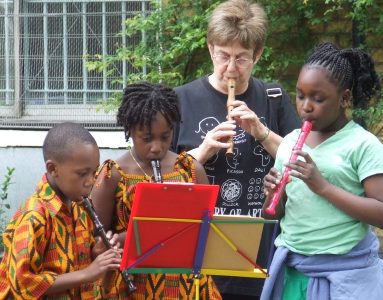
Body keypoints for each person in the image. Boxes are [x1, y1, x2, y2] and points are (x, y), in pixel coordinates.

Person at [170, 0, 301, 298]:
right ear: (209, 49)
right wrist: (201, 152)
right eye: (223, 56)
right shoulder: (180, 100)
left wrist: (261, 132)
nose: (231, 68)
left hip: (260, 250)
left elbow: (301, 161)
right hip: (198, 253)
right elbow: (161, 175)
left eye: (242, 58)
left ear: (258, 54)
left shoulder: (273, 97)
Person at [260, 41, 383, 300]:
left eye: (318, 98)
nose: (305, 106)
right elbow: (272, 216)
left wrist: (322, 186)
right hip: (293, 272)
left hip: (345, 277)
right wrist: (272, 194)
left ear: (344, 98)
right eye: (300, 95)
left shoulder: (363, 145)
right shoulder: (289, 142)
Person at [90, 82, 222, 300]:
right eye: (146, 138)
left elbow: (209, 232)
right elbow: (95, 237)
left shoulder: (190, 169)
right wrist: (119, 240)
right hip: (129, 284)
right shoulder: (113, 174)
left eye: (165, 137)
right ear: (130, 129)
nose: (157, 147)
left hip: (184, 286)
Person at [0, 122, 122, 299]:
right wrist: (86, 274)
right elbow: (22, 282)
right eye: (82, 174)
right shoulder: (34, 216)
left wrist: (96, 254)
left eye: (94, 173)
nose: (90, 182)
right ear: (53, 169)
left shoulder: (81, 209)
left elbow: (77, 262)